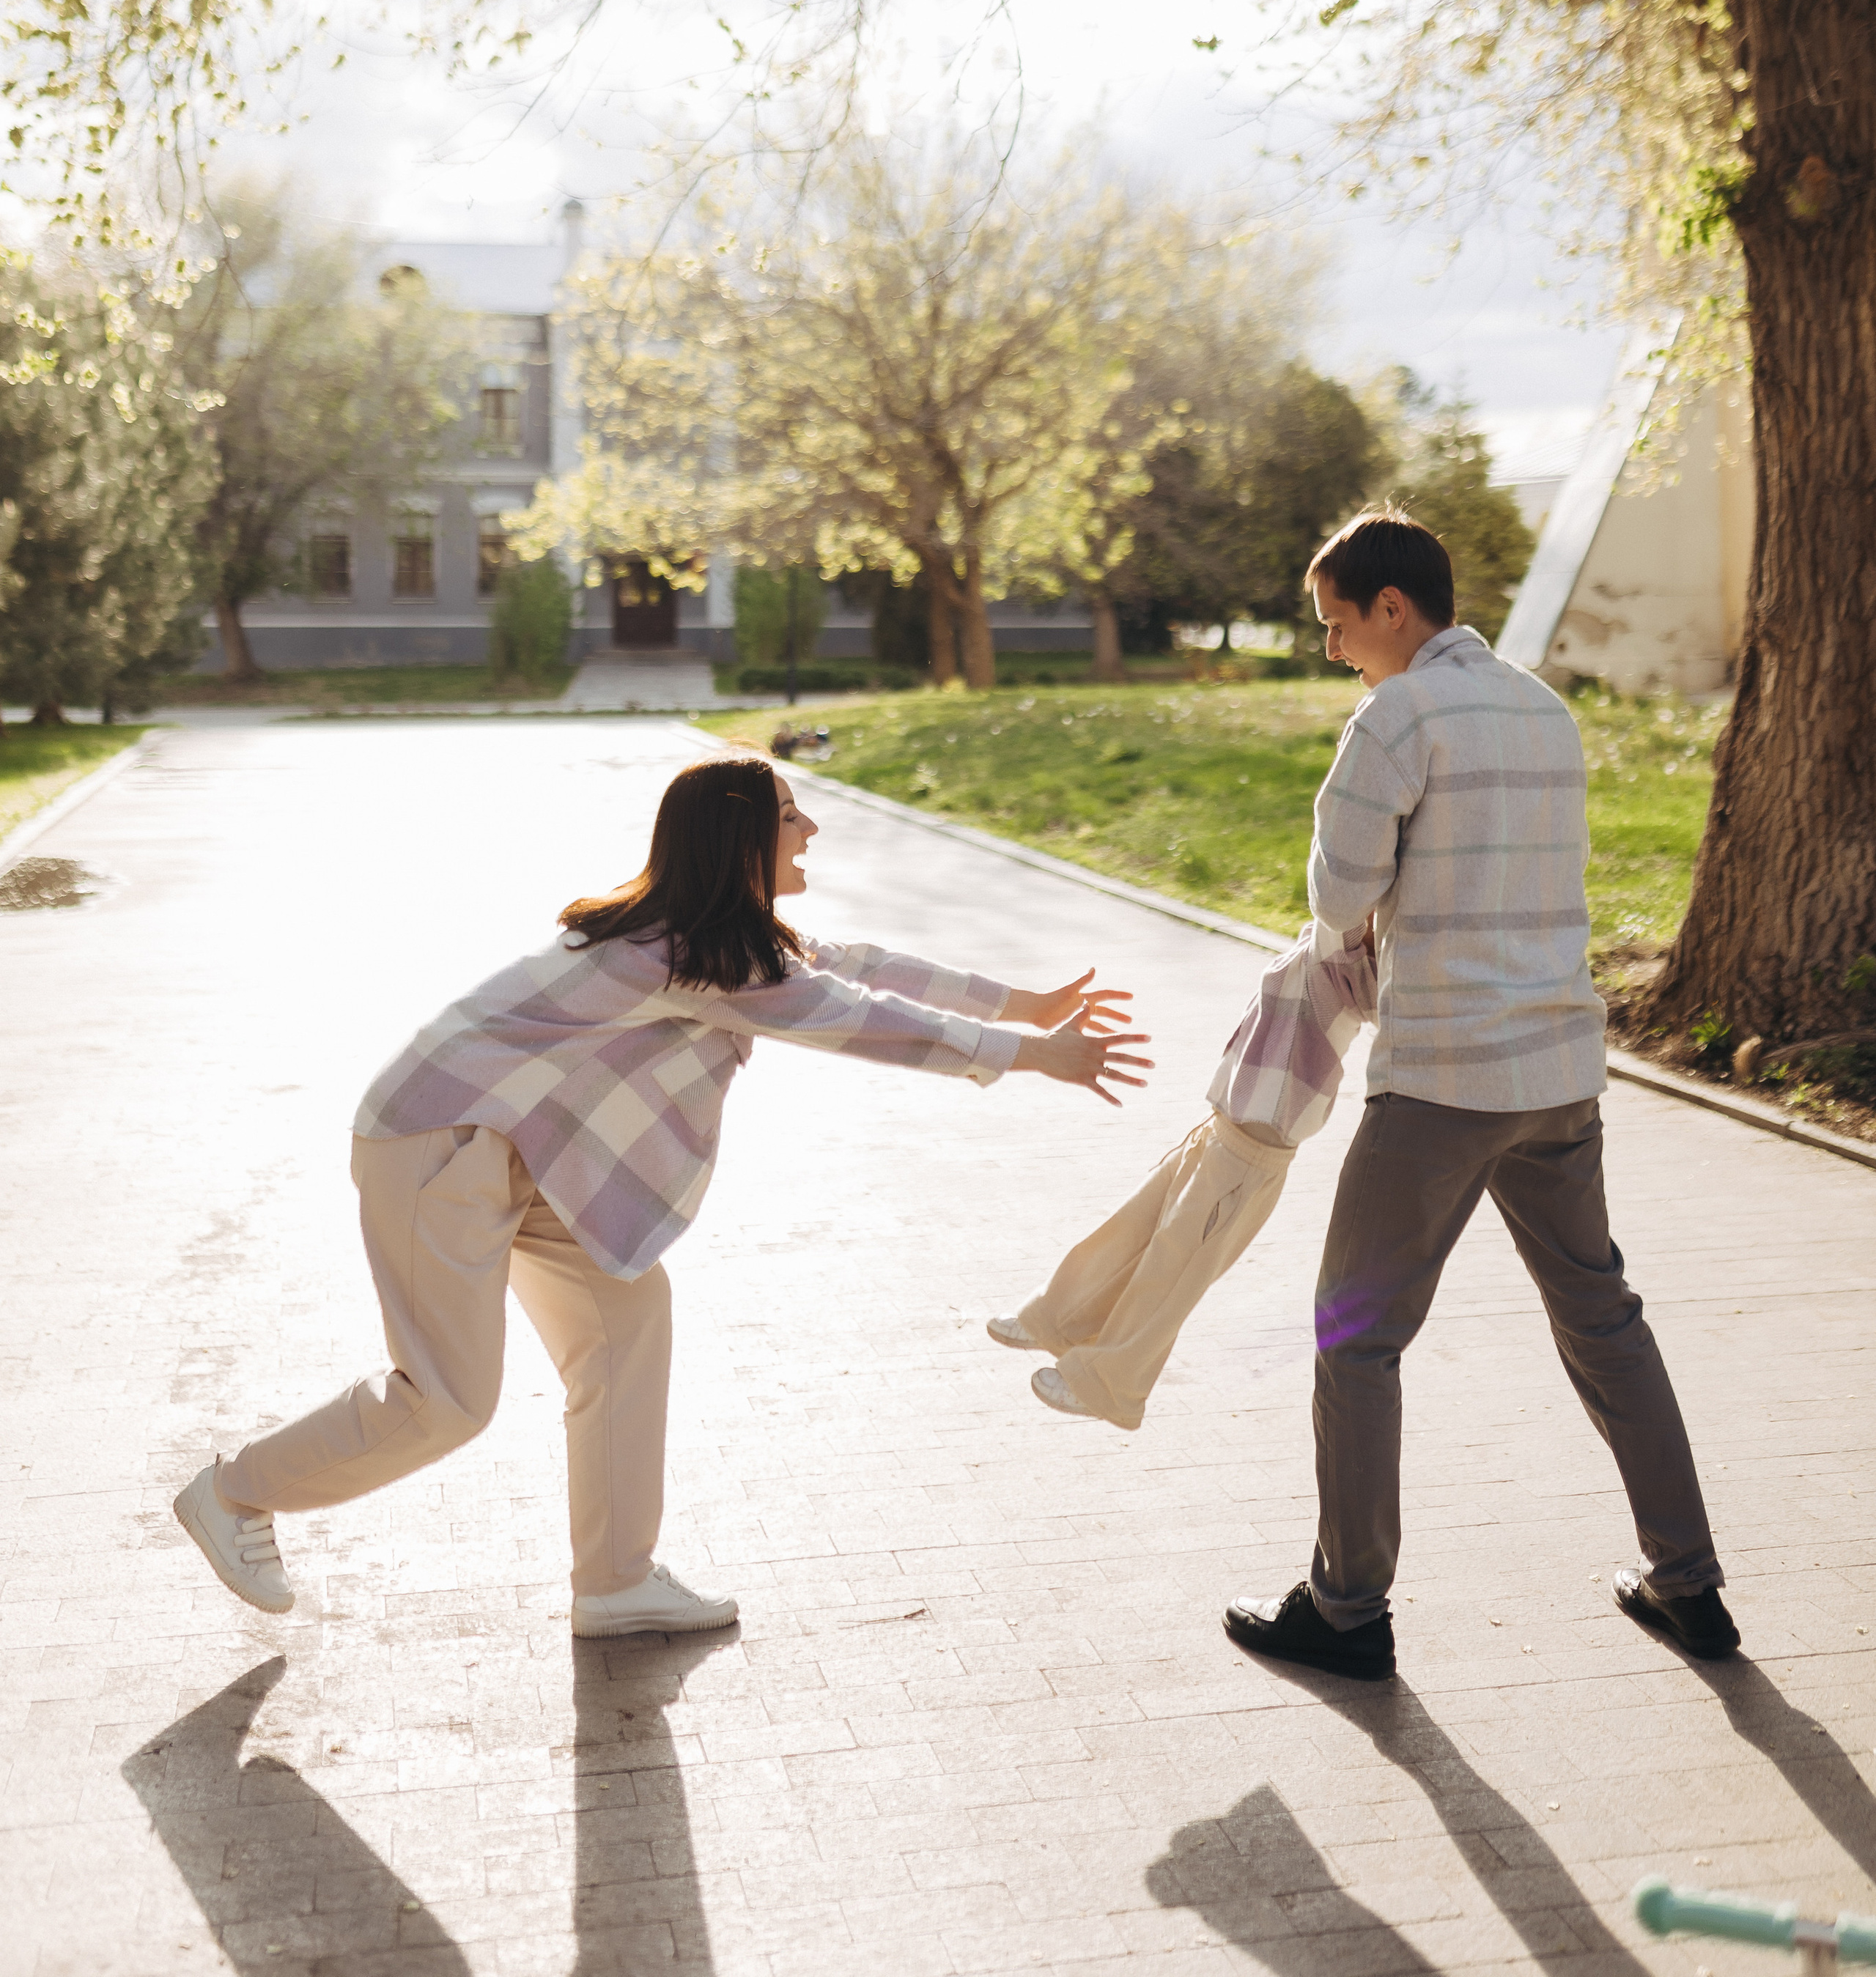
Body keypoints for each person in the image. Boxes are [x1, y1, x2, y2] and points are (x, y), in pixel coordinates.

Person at [174, 753, 1151, 1636]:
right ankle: (235, 1492)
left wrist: (1023, 1004)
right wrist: (1038, 1056)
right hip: (437, 1144)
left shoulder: (720, 937)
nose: (812, 829)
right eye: (793, 815)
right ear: (742, 837)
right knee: (447, 1401)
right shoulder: (693, 957)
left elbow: (855, 968)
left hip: (518, 1147)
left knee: (627, 1323)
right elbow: (865, 1023)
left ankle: (614, 1580)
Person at [1223, 509, 1737, 1685]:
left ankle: (1346, 1610)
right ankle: (1691, 1586)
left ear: (1392, 609)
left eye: (1339, 625)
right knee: (1605, 1320)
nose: (1335, 648)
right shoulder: (1542, 707)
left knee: (1355, 1340)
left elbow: (1341, 892)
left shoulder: (1395, 713)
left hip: (1443, 1081)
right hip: (1558, 1073)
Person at [986, 920, 1375, 1429]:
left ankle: (1110, 1384)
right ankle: (1055, 1318)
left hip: (1252, 1155)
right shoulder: (1327, 937)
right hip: (1224, 1126)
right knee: (1131, 1231)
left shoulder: (1354, 963)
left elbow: (1340, 890)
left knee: (1173, 1270)